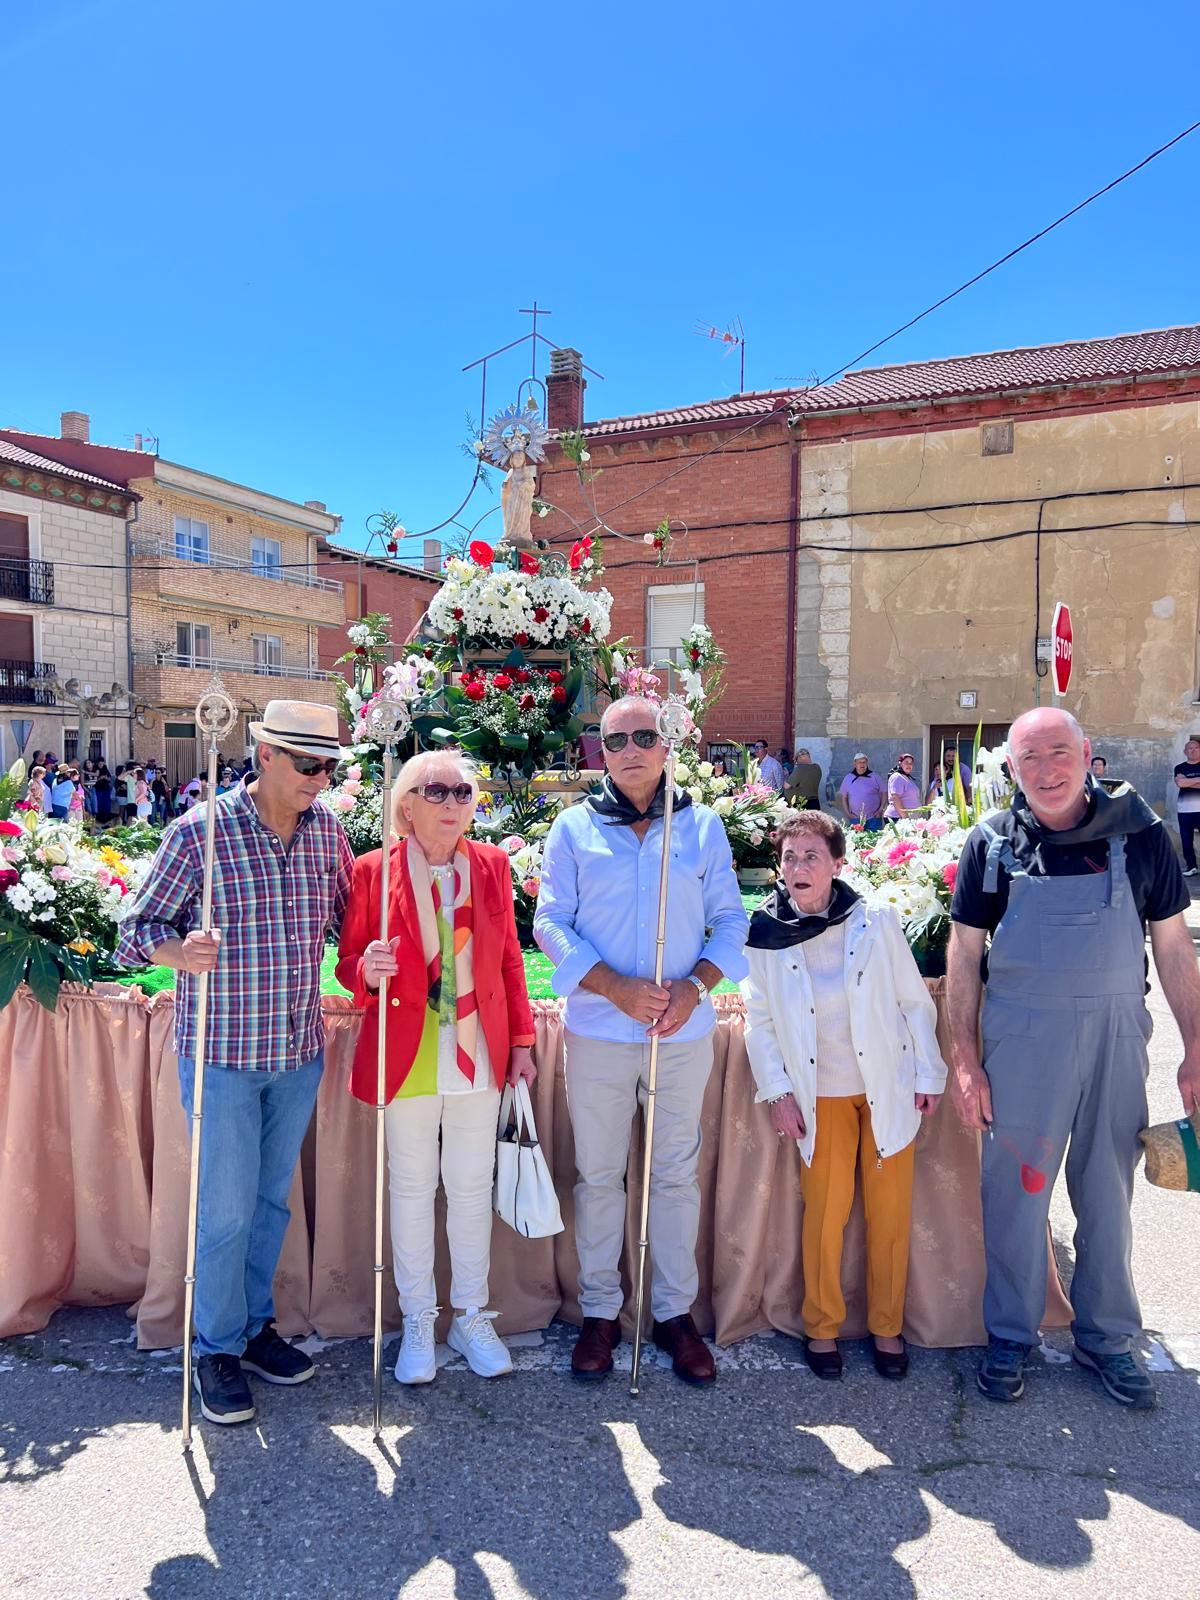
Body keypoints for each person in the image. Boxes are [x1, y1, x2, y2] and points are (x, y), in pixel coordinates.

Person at [947, 707, 1200, 1411]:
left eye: (1059, 752)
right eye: (1029, 759)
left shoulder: (1142, 836)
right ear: (1012, 770)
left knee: (1107, 1195)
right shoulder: (992, 843)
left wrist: (1197, 1048)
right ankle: (1009, 1335)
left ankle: (1107, 1338)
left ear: (1088, 754)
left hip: (1117, 1039)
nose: (1047, 771)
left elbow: (1176, 950)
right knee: (1017, 1196)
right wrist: (965, 1060)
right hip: (1021, 1042)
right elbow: (964, 956)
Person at [115, 700, 355, 1428]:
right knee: (222, 1212)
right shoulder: (199, 833)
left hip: (297, 1051)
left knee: (270, 1204)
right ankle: (215, 1347)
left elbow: (354, 921)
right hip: (221, 1055)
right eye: (308, 763)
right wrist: (178, 953)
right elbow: (135, 930)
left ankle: (252, 1331)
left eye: (330, 765)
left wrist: (375, 947)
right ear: (267, 757)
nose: (321, 777)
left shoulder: (328, 835)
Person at [534, 695, 749, 1385]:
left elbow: (730, 920)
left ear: (666, 746)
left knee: (673, 1174)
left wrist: (695, 987)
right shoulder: (573, 828)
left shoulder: (702, 826)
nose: (630, 748)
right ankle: (601, 1310)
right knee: (599, 1176)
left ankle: (673, 1313)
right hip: (599, 1029)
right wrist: (612, 987)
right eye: (616, 738)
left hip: (681, 1031)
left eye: (644, 736)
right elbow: (551, 923)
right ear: (600, 749)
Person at [335, 750, 536, 1385]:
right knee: (413, 1189)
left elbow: (509, 958)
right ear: (407, 804)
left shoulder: (492, 865)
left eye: (462, 792)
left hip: (479, 1048)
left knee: (473, 1187)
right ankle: (419, 1318)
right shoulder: (376, 869)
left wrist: (524, 1042)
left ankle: (471, 1315)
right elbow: (348, 964)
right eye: (436, 791)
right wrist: (366, 970)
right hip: (408, 1050)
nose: (452, 803)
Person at [743, 811, 946, 1380]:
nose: (798, 866)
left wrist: (929, 1075)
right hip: (819, 1097)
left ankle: (887, 1327)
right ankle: (822, 1327)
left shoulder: (874, 921)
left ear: (838, 863)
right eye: (789, 857)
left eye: (811, 855)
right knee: (825, 1216)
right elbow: (757, 1021)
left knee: (889, 1216)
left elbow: (913, 1003)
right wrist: (778, 1092)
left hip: (887, 1088)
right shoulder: (763, 933)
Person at [1173, 735, 1200, 879]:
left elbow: (1184, 782)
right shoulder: (1179, 767)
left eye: (1196, 747)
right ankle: (1192, 867)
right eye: (1190, 748)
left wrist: (1188, 780)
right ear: (1185, 751)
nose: (1193, 750)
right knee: (1186, 840)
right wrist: (1196, 780)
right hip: (1185, 810)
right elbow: (1180, 784)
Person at [837, 754, 886, 831]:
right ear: (854, 763)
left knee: (875, 840)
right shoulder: (848, 778)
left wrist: (881, 810)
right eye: (859, 762)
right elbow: (844, 797)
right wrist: (848, 814)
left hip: (874, 818)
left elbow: (884, 792)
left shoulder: (875, 777)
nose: (862, 764)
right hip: (855, 818)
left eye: (864, 762)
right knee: (857, 841)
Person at [884, 753, 921, 821]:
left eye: (911, 763)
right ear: (900, 764)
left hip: (907, 818)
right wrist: (905, 817)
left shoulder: (907, 778)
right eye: (906, 762)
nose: (909, 765)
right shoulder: (897, 776)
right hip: (898, 817)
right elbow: (895, 797)